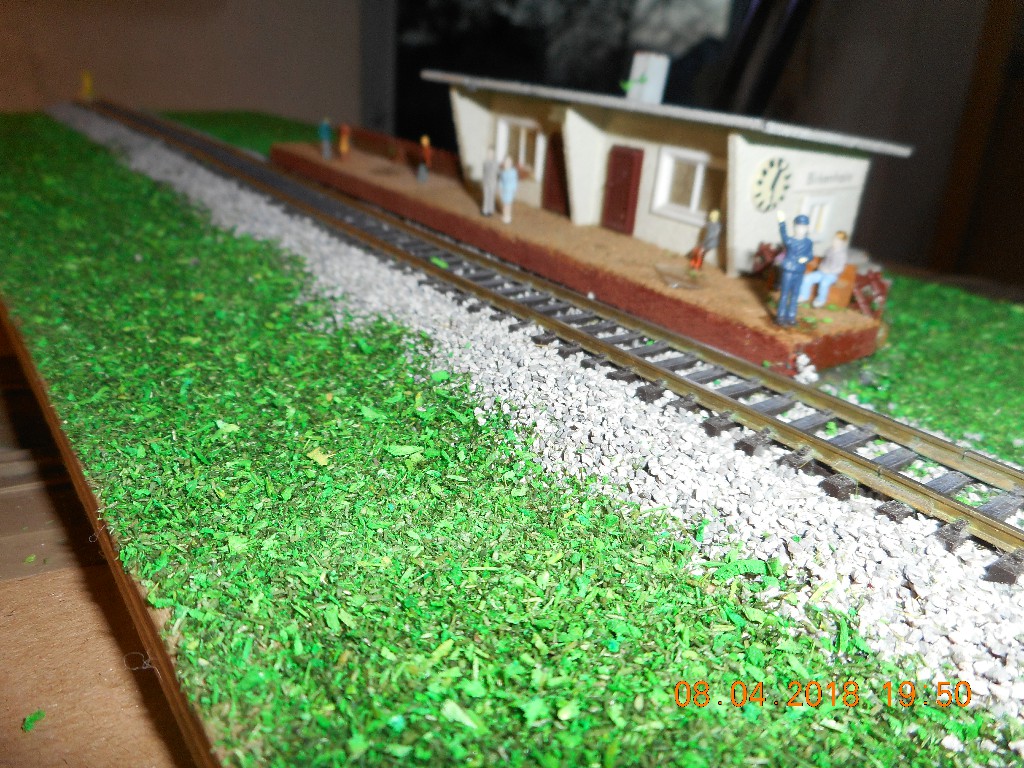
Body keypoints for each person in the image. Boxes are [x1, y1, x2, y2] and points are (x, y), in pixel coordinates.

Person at [775, 211, 813, 326]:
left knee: (795, 295)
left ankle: (791, 316)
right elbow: (783, 234)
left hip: (799, 271)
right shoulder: (790, 240)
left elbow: (810, 255)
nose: (801, 229)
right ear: (795, 227)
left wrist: (805, 259)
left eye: (804, 227)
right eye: (799, 227)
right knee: (785, 294)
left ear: (807, 228)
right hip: (788, 270)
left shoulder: (808, 242)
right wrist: (782, 222)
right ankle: (780, 316)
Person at [799, 230, 849, 307]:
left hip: (832, 275)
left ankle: (820, 300)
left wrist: (830, 271)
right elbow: (824, 261)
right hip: (821, 272)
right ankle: (804, 296)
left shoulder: (842, 254)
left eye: (838, 240)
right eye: (835, 239)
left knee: (824, 283)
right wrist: (822, 267)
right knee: (807, 278)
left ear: (842, 242)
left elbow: (840, 268)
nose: (835, 241)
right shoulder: (829, 250)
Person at [499, 156, 518, 224]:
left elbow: (514, 181)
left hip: (510, 190)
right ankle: (505, 215)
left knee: (509, 204)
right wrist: (500, 188)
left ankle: (508, 216)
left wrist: (514, 189)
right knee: (505, 204)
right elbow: (501, 181)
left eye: (509, 162)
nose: (507, 164)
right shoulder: (502, 172)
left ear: (511, 163)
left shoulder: (513, 172)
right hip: (504, 190)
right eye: (506, 162)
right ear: (504, 163)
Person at [481, 147, 499, 216]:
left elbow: (496, 172)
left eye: (491, 153)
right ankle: (485, 210)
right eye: (488, 153)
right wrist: (484, 180)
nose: (489, 154)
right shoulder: (485, 162)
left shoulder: (495, 163)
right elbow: (484, 172)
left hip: (492, 182)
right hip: (486, 182)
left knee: (491, 197)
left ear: (493, 154)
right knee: (486, 196)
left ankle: (490, 210)